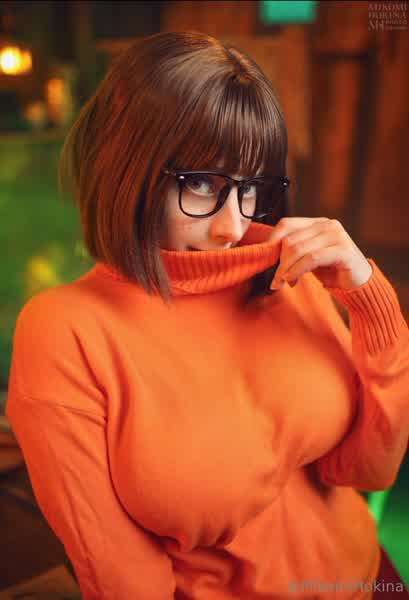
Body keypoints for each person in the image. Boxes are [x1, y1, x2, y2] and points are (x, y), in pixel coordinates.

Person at [5, 30, 409, 600]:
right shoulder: (66, 330)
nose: (232, 226)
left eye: (250, 188)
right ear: (125, 168)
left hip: (370, 577)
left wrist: (370, 298)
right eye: (199, 183)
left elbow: (370, 470)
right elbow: (121, 576)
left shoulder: (289, 271)